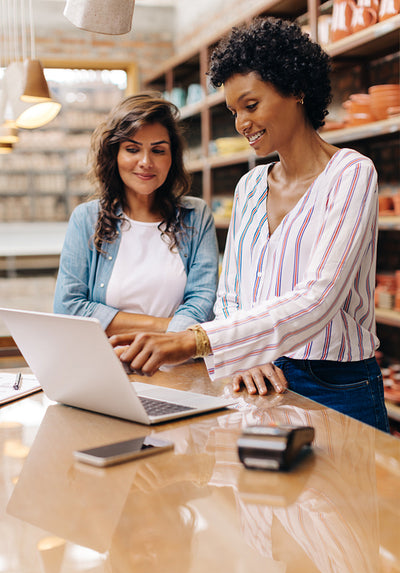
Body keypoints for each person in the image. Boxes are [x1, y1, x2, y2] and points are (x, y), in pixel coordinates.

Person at [110, 18, 389, 432]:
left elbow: (317, 299)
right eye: (233, 111)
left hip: (337, 385)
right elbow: (231, 293)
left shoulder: (350, 174)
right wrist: (245, 357)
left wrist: (197, 340)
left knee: (346, 498)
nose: (241, 123)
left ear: (296, 90)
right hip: (257, 376)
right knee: (262, 498)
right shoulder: (250, 185)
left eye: (251, 105)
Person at [54, 93, 219, 335]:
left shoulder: (196, 215)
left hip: (176, 366)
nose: (145, 162)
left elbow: (202, 302)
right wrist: (163, 326)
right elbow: (68, 308)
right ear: (114, 156)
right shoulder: (86, 219)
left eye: (158, 150)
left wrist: (163, 345)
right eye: (132, 149)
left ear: (172, 157)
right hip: (109, 365)